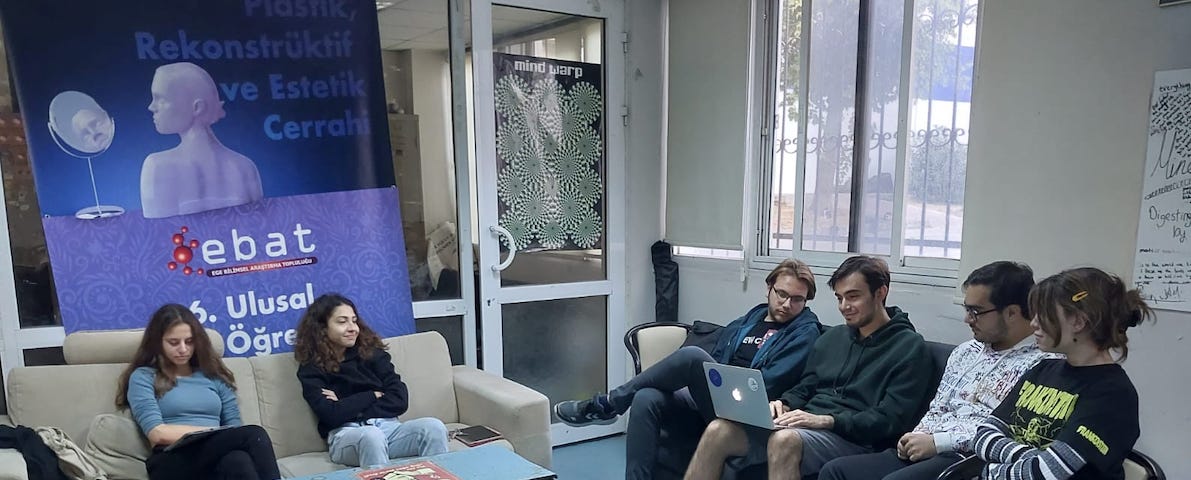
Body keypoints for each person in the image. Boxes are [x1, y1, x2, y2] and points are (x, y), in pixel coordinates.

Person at [553, 259, 824, 480]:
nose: (787, 304)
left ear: (806, 301)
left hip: (748, 410)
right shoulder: (749, 320)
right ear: (768, 289)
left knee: (692, 357)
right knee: (646, 397)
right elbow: (718, 357)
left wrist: (710, 380)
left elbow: (768, 384)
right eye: (782, 294)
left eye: (797, 299)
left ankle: (606, 404)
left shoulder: (805, 332)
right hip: (718, 397)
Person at [684, 255, 934, 480]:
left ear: (880, 293)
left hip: (854, 439)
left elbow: (889, 419)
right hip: (805, 426)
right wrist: (784, 402)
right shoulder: (833, 339)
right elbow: (806, 387)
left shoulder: (910, 348)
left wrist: (827, 420)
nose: (844, 306)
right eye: (839, 297)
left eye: (853, 296)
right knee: (719, 429)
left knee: (784, 440)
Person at [819, 261, 1054, 480]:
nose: (967, 319)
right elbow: (938, 406)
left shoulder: (1042, 366)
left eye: (976, 311)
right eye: (967, 309)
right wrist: (917, 436)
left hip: (969, 458)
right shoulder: (966, 351)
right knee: (836, 471)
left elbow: (1010, 431)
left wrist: (939, 443)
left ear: (1012, 313)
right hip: (924, 446)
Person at [972, 267, 1150, 479]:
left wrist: (990, 472)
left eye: (1044, 314)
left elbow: (1046, 473)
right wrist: (1031, 457)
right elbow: (983, 435)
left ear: (1078, 321)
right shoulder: (1043, 369)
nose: (1034, 323)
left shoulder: (1112, 393)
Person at [115, 304, 280, 480]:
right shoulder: (143, 377)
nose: (183, 349)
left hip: (212, 458)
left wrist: (217, 435)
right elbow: (157, 434)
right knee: (254, 434)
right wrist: (211, 432)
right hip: (171, 460)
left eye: (189, 341)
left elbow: (234, 425)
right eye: (174, 342)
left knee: (238, 461)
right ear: (157, 342)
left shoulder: (213, 376)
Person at [294, 293, 449, 468]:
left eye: (354, 320)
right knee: (371, 435)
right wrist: (372, 395)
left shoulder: (372, 354)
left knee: (433, 428)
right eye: (342, 321)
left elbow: (399, 400)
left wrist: (345, 404)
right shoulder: (312, 368)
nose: (352, 328)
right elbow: (331, 414)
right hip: (347, 435)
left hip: (389, 429)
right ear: (322, 328)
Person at [141, 61, 263, 218]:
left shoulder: (157, 167)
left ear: (197, 107)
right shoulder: (245, 167)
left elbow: (159, 236)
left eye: (161, 99)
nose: (152, 107)